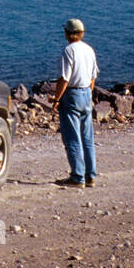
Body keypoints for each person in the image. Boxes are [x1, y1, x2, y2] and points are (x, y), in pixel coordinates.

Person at [50, 18, 98, 188]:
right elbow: (93, 77)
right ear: (82, 33)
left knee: (72, 137)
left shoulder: (68, 51)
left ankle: (77, 177)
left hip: (72, 95)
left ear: (67, 34)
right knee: (87, 138)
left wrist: (56, 100)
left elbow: (64, 78)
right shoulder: (89, 50)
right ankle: (90, 175)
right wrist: (88, 95)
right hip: (86, 93)